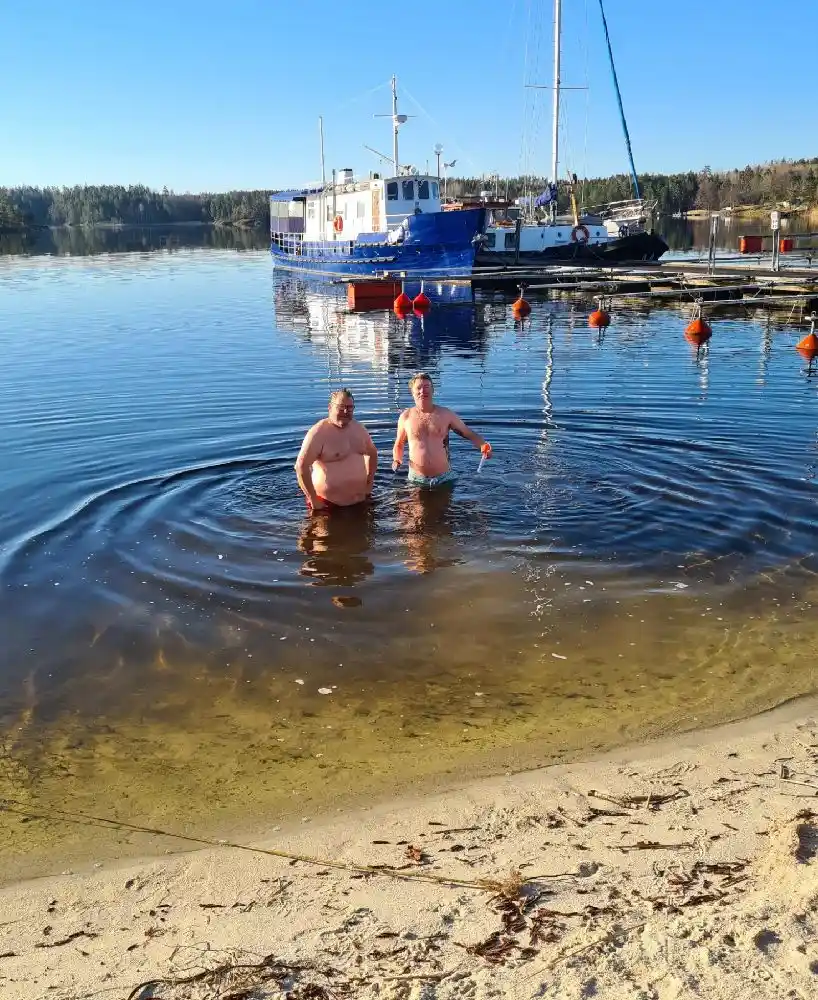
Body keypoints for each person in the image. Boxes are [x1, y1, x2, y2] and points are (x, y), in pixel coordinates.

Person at [391, 372, 491, 488]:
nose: (423, 391)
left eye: (427, 387)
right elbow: (399, 444)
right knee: (415, 506)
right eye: (419, 388)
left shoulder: (446, 414)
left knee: (444, 507)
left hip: (444, 477)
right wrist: (397, 460)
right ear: (412, 392)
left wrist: (482, 445)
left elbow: (468, 433)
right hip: (416, 479)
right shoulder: (405, 417)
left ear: (433, 390)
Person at [295, 389, 378, 511]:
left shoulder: (359, 429)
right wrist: (312, 499)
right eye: (341, 407)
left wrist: (369, 484)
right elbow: (301, 466)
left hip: (360, 501)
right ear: (330, 407)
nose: (346, 411)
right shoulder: (318, 433)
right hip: (327, 505)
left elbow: (372, 453)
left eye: (350, 408)